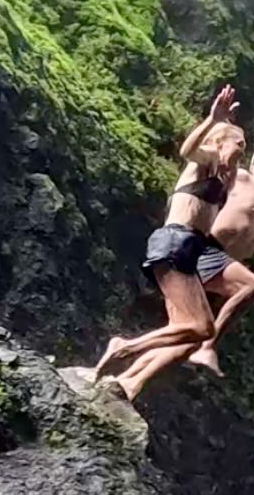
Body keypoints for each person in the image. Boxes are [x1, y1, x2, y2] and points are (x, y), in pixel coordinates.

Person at [110, 128, 254, 399]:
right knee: (253, 287)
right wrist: (218, 127)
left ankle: (127, 382)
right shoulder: (241, 178)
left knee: (184, 337)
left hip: (220, 270)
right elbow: (212, 162)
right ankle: (209, 346)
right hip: (203, 250)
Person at [89, 86, 244, 382]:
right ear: (219, 144)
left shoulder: (223, 174)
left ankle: (125, 381)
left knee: (189, 332)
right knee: (203, 328)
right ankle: (124, 347)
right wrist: (214, 121)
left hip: (191, 249)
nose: (242, 149)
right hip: (175, 241)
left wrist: (229, 127)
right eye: (240, 143)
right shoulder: (205, 160)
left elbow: (230, 180)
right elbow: (187, 150)